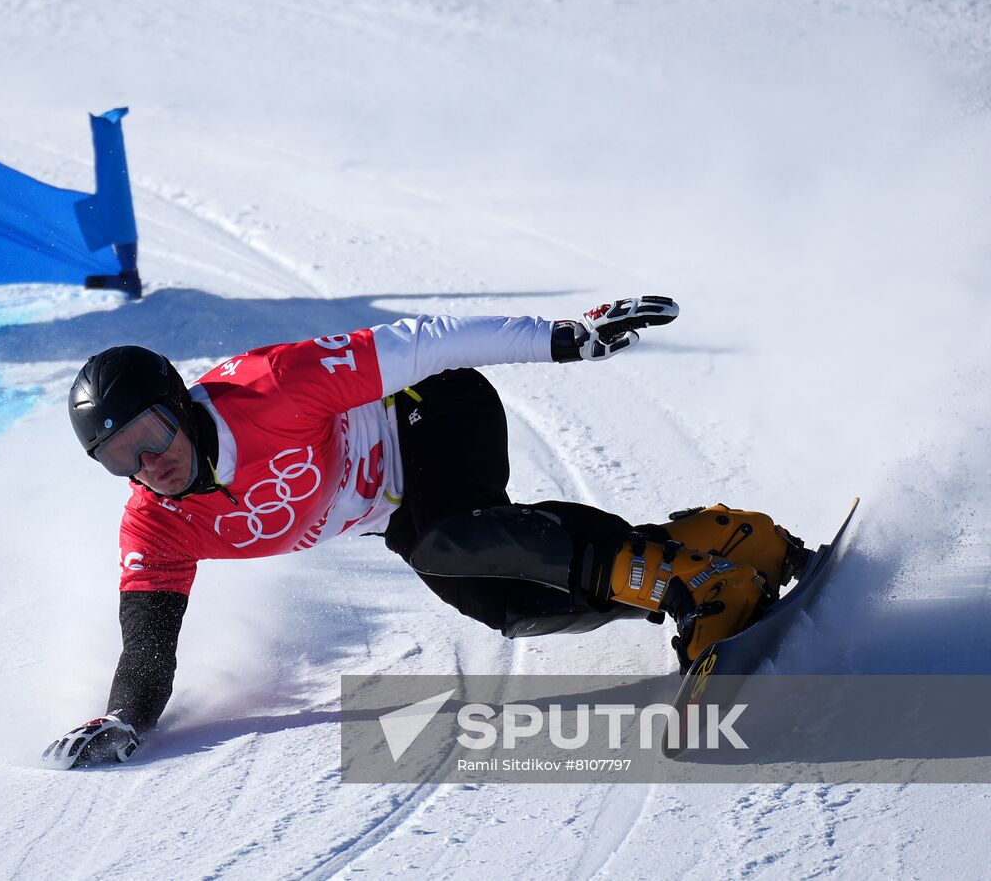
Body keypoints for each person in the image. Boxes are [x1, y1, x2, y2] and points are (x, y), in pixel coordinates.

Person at [43, 298, 809, 769]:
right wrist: (123, 718)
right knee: (505, 604)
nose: (150, 463)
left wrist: (565, 336)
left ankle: (695, 588)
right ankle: (720, 544)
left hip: (433, 405)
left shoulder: (270, 387)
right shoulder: (158, 519)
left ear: (178, 402)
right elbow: (146, 645)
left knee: (450, 536)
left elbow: (430, 340)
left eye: (150, 433)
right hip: (403, 503)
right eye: (119, 458)